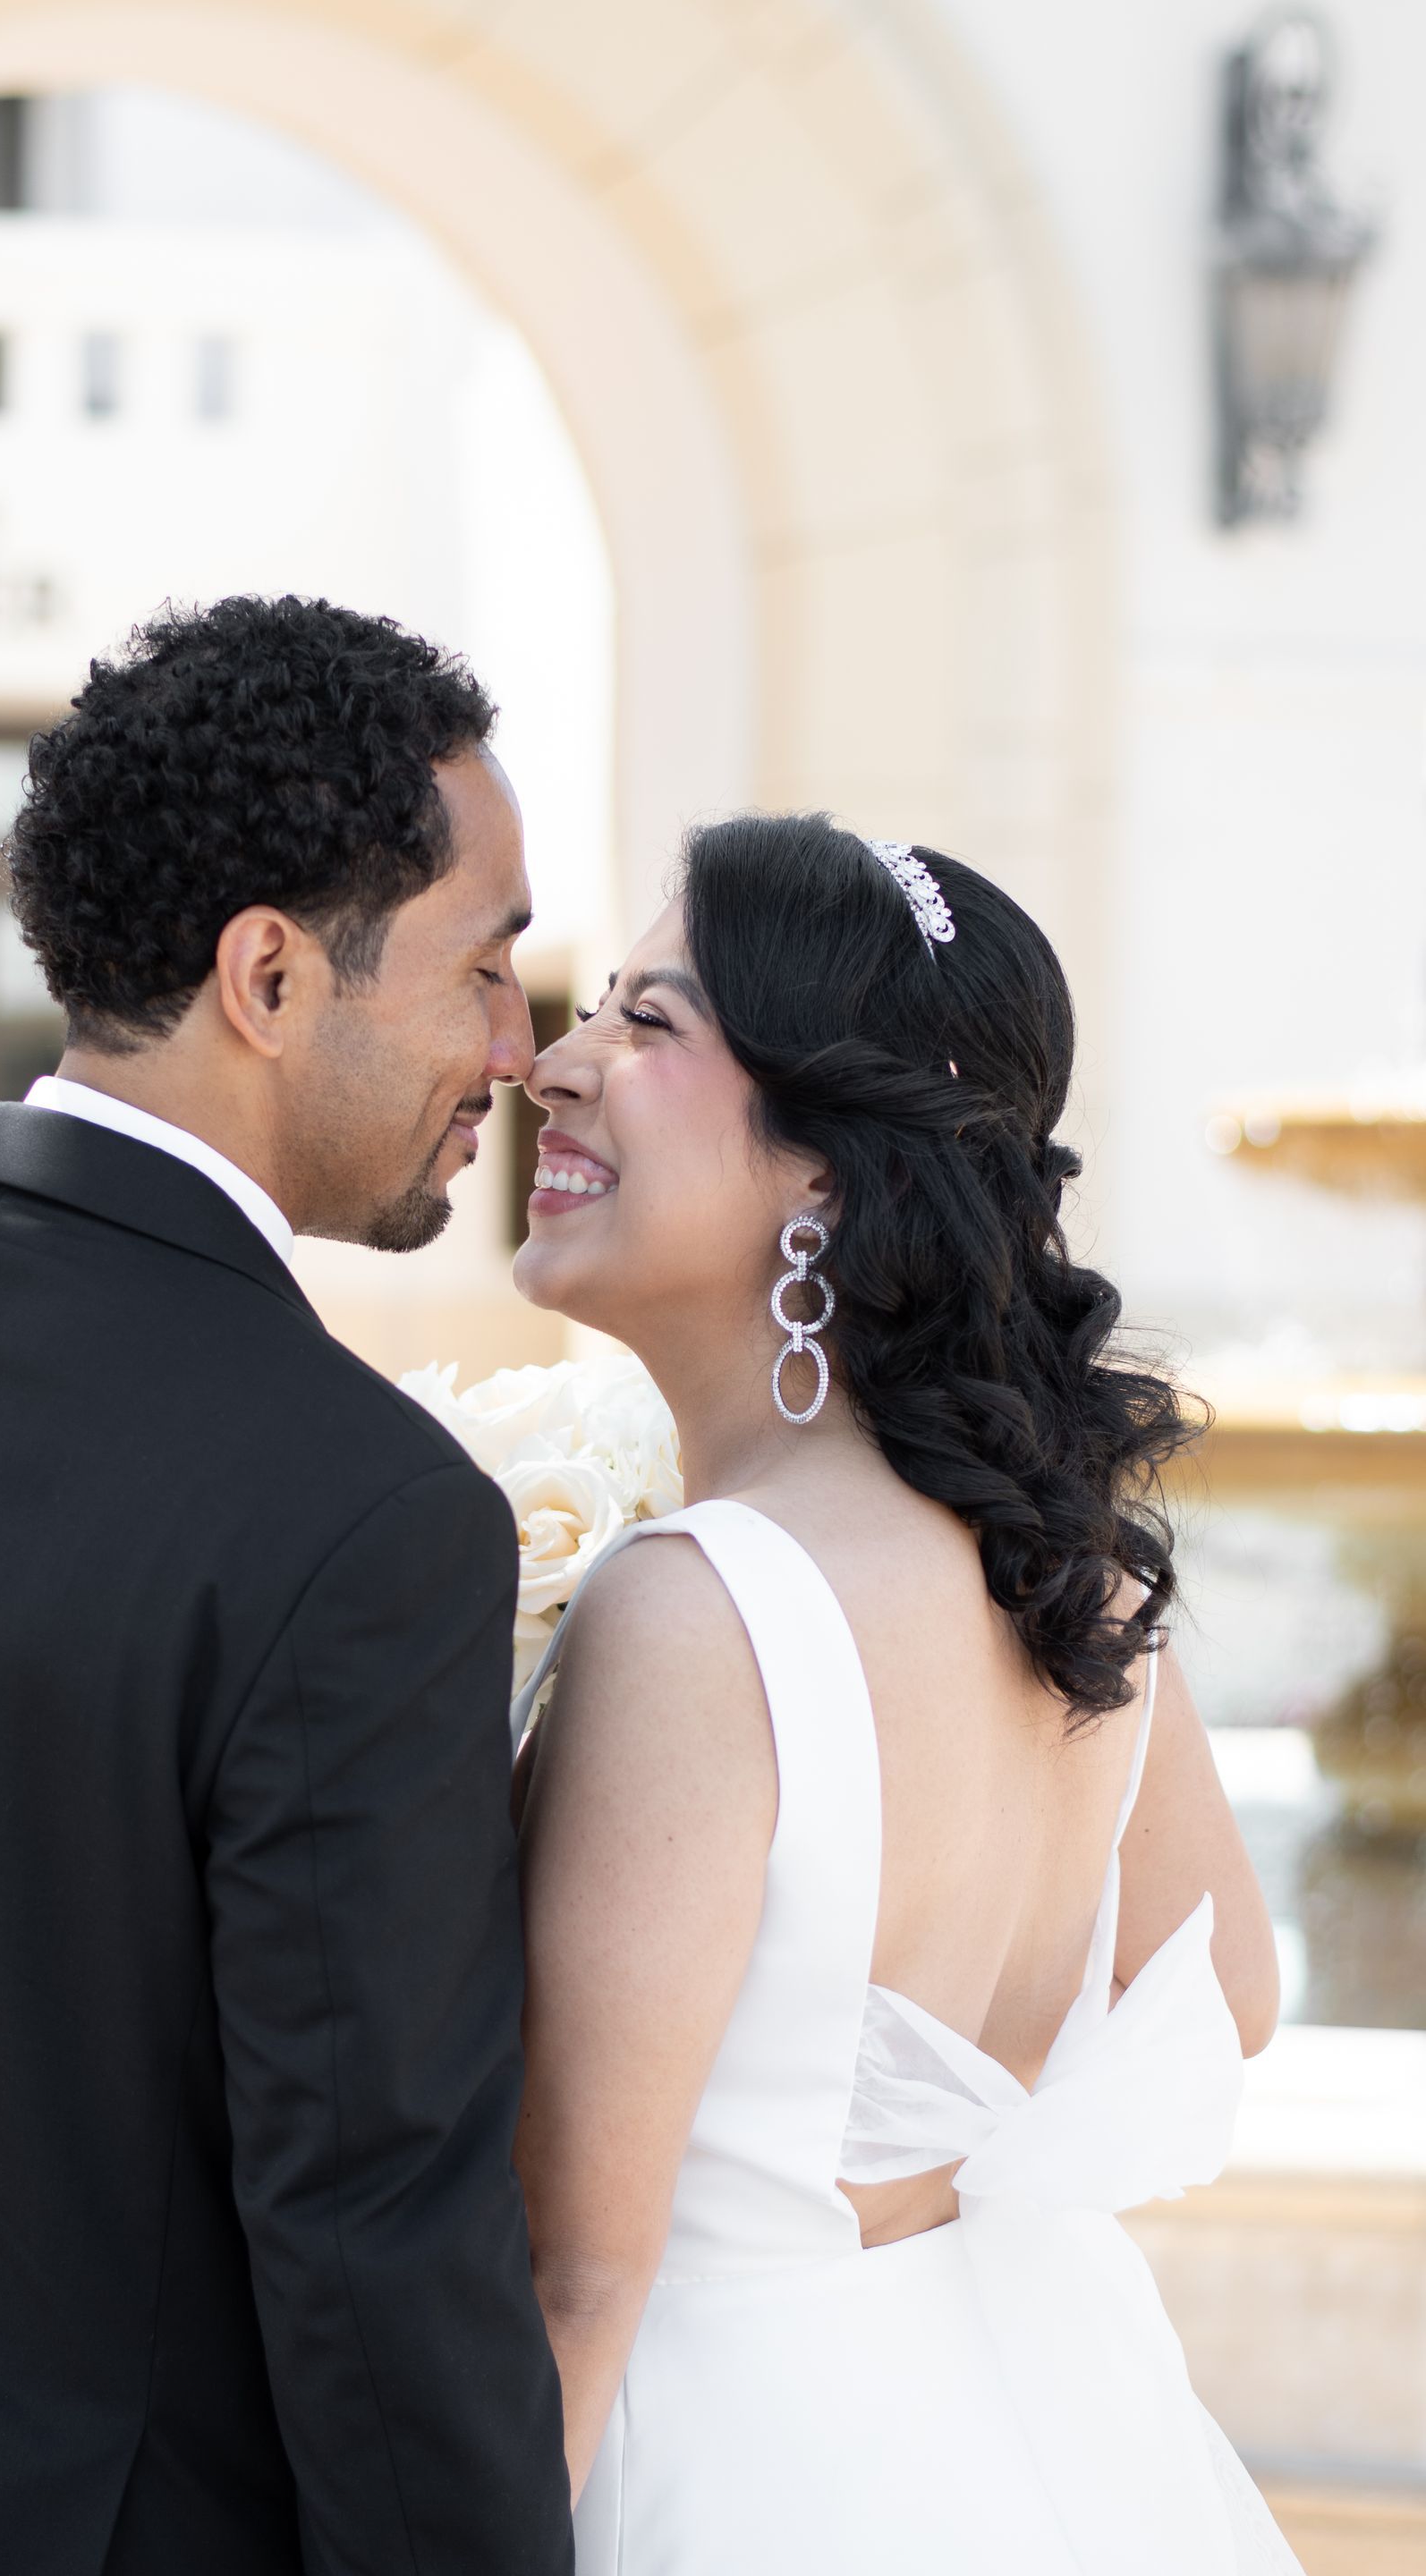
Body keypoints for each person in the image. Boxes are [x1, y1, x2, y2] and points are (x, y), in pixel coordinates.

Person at [0, 597, 573, 2576]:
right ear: (267, 973)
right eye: (489, 964)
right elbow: (375, 2238)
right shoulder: (363, 1516)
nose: (520, 1052)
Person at [510, 813, 1303, 2573]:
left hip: (706, 2468)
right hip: (977, 2431)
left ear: (825, 1164)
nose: (554, 1066)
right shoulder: (1069, 1578)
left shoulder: (700, 1608)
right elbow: (1226, 1990)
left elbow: (577, 2268)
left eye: (648, 1023)